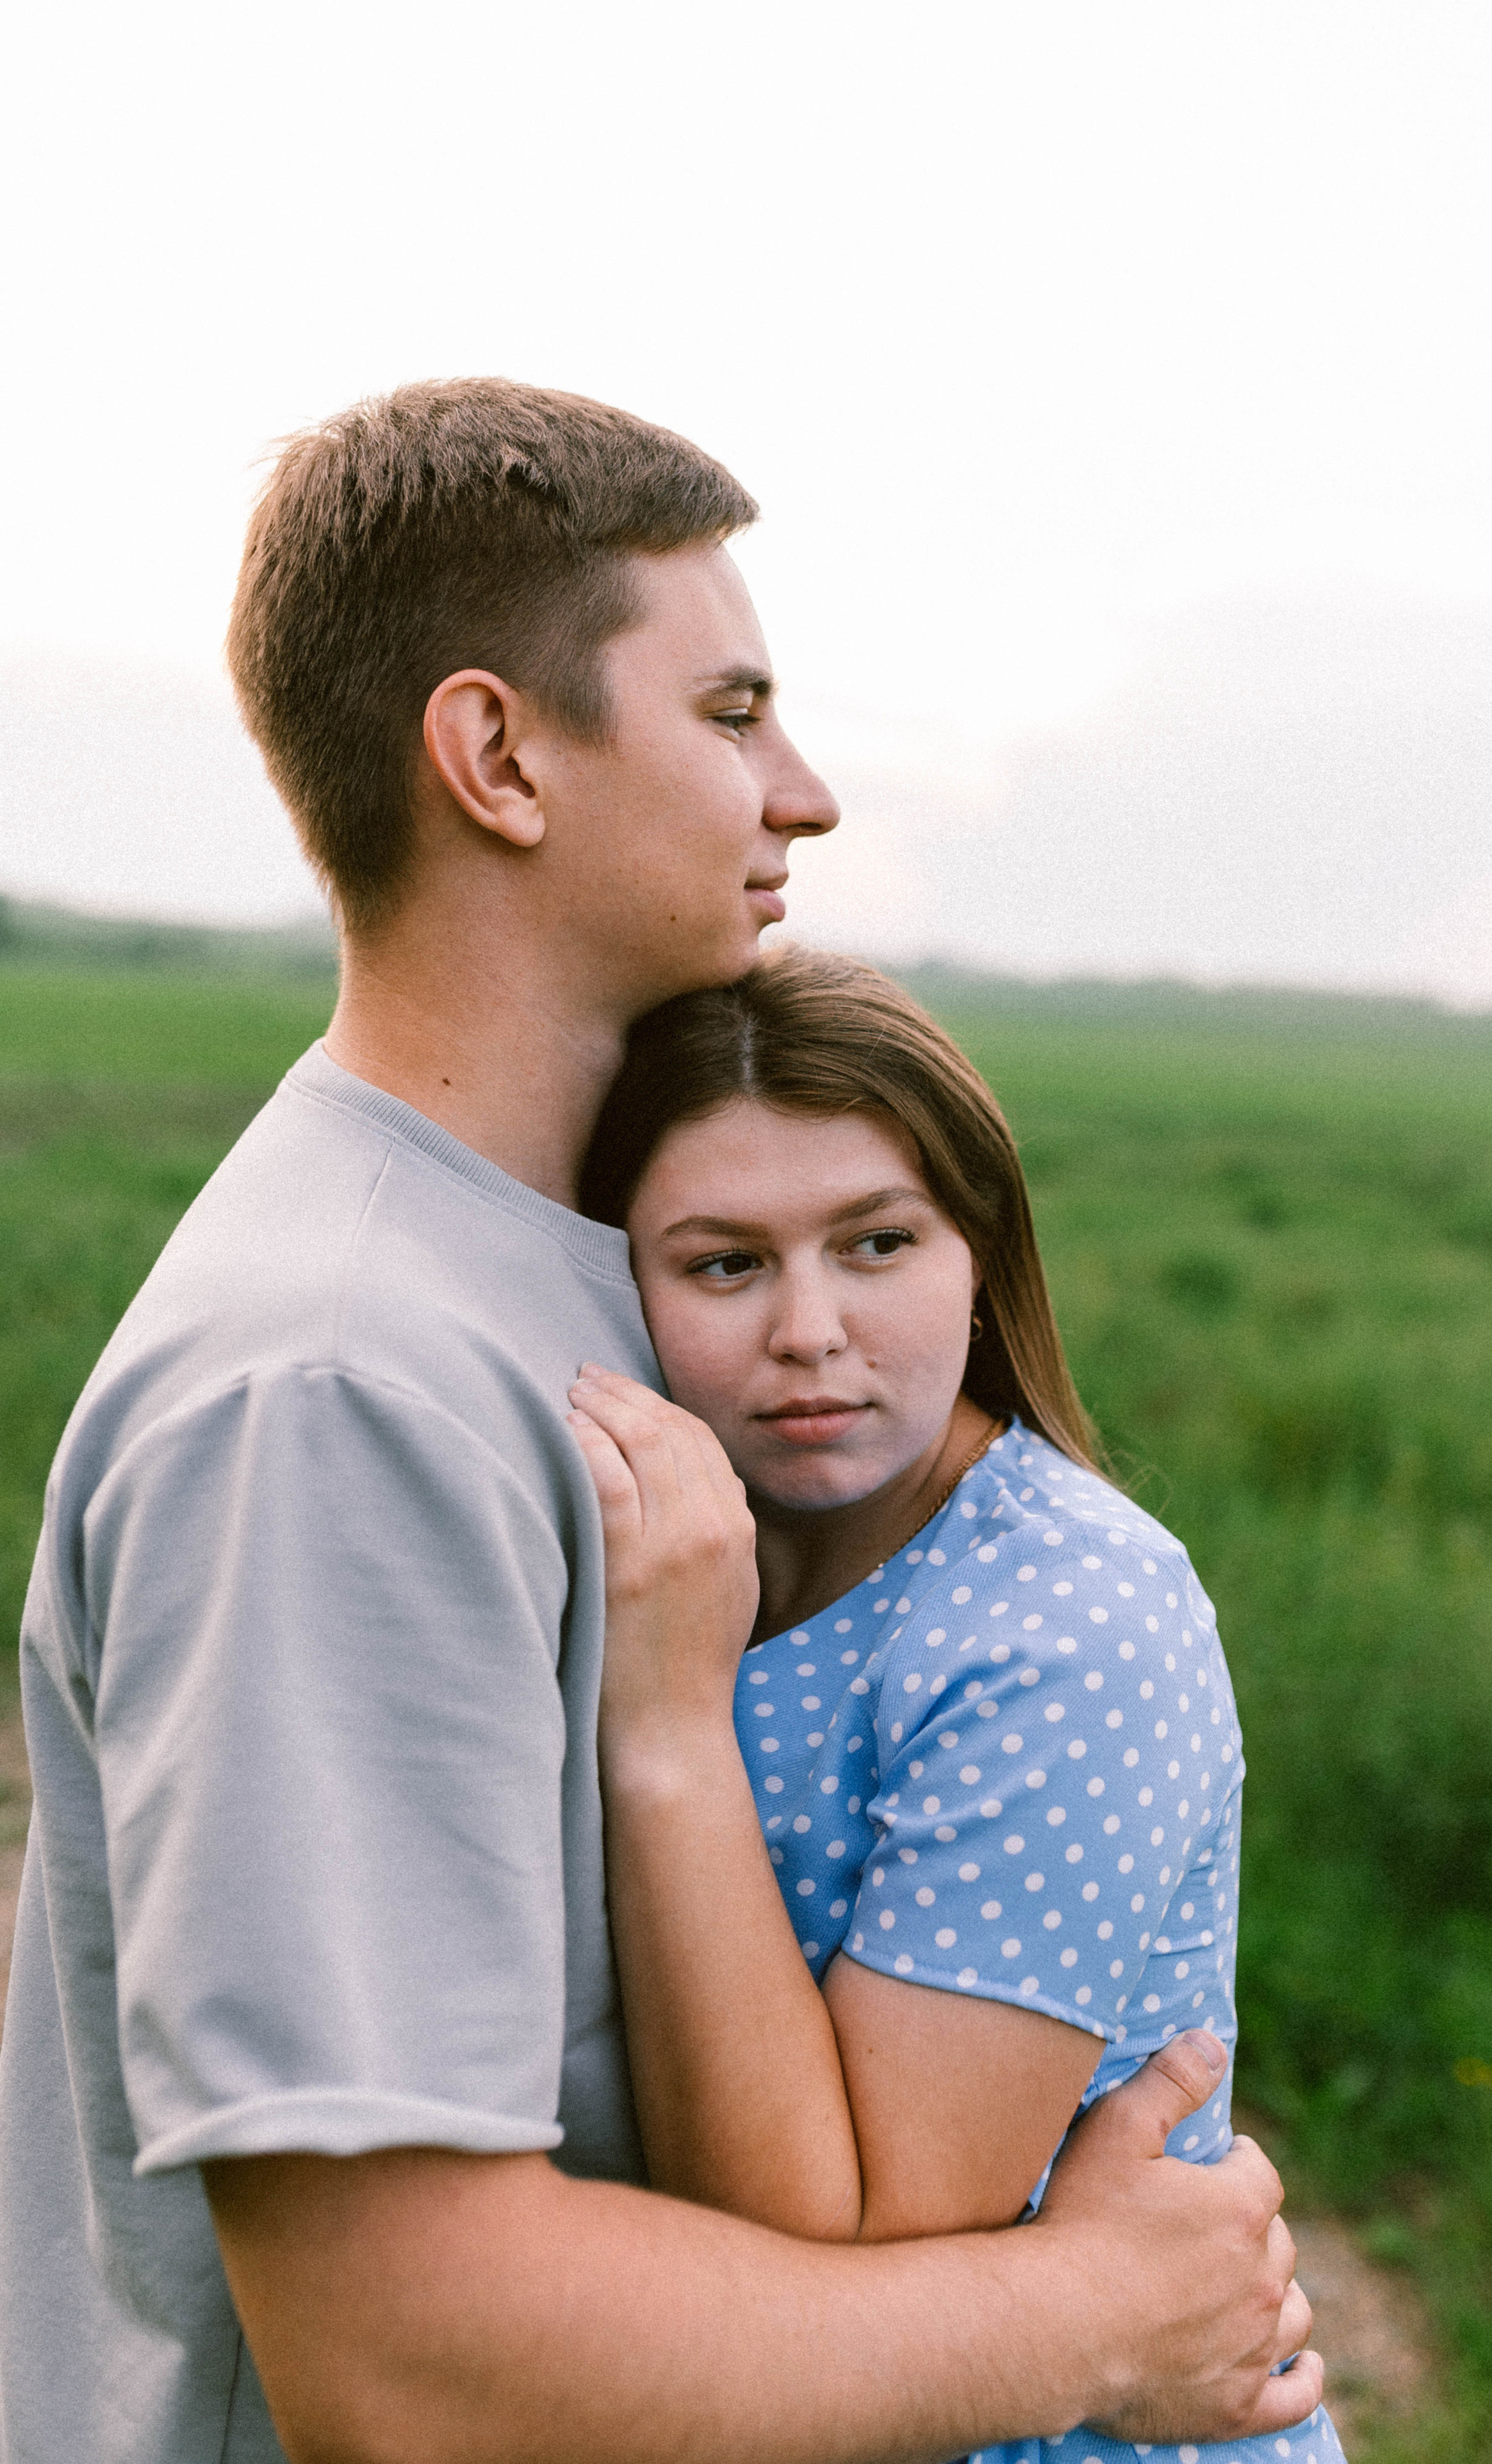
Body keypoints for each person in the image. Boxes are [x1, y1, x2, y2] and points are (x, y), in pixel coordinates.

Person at [0, 380, 1322, 2464]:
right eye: (731, 712)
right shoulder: (335, 1392)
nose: (806, 793)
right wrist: (1084, 2317)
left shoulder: (565, 1273)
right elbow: (402, 2357)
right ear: (499, 758)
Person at [569, 945, 1343, 2464]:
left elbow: (853, 2248)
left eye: (876, 1243)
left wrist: (667, 1731)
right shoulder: (676, 1545)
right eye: (723, 1263)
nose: (808, 1329)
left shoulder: (1064, 1618)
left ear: (976, 1253)